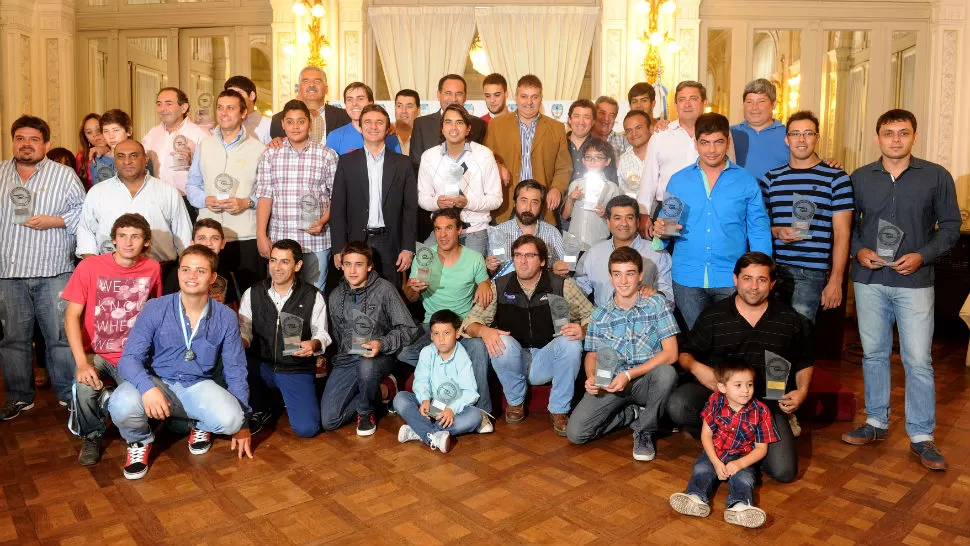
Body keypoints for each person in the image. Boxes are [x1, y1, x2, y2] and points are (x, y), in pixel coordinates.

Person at [841, 109, 960, 471]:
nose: (895, 139)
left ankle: (922, 435)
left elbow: (951, 227)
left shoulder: (936, 177)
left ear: (914, 137)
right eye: (888, 133)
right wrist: (858, 251)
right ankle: (876, 421)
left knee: (918, 360)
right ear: (877, 138)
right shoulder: (859, 177)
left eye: (902, 133)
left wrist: (921, 257)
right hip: (870, 281)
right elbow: (850, 227)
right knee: (874, 354)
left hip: (915, 282)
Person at [107, 245, 253, 480]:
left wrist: (243, 423)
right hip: (157, 382)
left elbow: (236, 370)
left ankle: (199, 424)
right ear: (178, 273)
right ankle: (139, 442)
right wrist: (147, 388)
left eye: (200, 271)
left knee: (232, 419)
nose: (191, 276)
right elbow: (129, 360)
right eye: (185, 269)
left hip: (196, 385)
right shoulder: (155, 308)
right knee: (121, 404)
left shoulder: (225, 317)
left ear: (213, 278)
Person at [668, 252, 811, 485]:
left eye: (761, 280)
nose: (753, 286)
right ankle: (725, 436)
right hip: (720, 399)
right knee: (678, 405)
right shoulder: (715, 316)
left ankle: (740, 444)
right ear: (735, 279)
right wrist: (696, 367)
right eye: (747, 278)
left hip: (766, 404)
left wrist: (802, 390)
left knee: (784, 472)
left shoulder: (789, 319)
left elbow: (805, 360)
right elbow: (685, 354)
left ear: (772, 283)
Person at [463, 235, 595, 436]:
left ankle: (559, 410)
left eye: (529, 255)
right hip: (515, 359)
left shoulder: (562, 285)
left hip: (548, 358)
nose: (522, 261)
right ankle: (515, 402)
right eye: (518, 255)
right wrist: (483, 330)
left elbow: (593, 316)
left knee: (571, 342)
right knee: (499, 339)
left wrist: (583, 330)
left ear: (542, 261)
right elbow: (469, 323)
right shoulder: (499, 286)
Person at [0, 115, 86, 419]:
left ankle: (68, 394)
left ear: (46, 144)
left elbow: (83, 214)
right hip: (8, 274)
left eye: (34, 139)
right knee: (12, 339)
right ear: (13, 141)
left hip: (54, 271)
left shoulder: (63, 176)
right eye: (20, 138)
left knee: (60, 338)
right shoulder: (0, 175)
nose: (26, 144)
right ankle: (20, 397)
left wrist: (55, 221)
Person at [654, 112, 771, 329]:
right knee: (698, 343)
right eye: (705, 143)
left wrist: (761, 271)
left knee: (730, 342)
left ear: (727, 142)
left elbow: (758, 228)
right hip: (687, 276)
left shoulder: (745, 180)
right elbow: (666, 228)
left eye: (718, 142)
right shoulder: (679, 180)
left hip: (732, 277)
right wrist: (660, 231)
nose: (711, 149)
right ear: (695, 144)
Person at [62, 213, 162, 465]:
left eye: (135, 237)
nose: (128, 242)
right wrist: (82, 362)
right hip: (96, 353)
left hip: (133, 355)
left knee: (146, 408)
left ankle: (110, 404)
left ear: (146, 242)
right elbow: (71, 317)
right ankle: (92, 435)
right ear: (114, 240)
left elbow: (154, 312)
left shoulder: (152, 268)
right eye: (122, 236)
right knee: (84, 386)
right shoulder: (90, 267)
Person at [567, 247, 679, 461]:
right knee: (576, 433)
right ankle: (632, 414)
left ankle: (644, 431)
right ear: (610, 276)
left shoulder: (656, 304)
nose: (624, 281)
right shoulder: (600, 314)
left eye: (630, 273)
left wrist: (629, 375)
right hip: (611, 382)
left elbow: (671, 353)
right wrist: (591, 376)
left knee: (667, 373)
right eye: (617, 274)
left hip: (646, 381)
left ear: (640, 275)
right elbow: (591, 354)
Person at [398, 209, 494, 417]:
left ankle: (483, 413)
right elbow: (410, 298)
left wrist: (485, 284)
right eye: (438, 229)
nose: (443, 235)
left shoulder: (474, 258)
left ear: (459, 230)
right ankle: (448, 376)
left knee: (478, 348)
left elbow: (485, 286)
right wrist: (412, 288)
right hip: (430, 328)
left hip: (461, 328)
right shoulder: (425, 257)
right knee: (404, 351)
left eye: (449, 228)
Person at [760, 110, 853, 322]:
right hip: (771, 269)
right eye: (795, 134)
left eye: (808, 133)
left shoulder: (836, 178)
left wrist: (836, 280)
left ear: (817, 138)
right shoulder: (771, 178)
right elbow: (757, 224)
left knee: (798, 339)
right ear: (786, 139)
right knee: (768, 336)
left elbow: (842, 233)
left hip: (810, 273)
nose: (801, 139)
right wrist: (775, 231)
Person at [323, 241, 420, 435]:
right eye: (347, 264)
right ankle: (383, 391)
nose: (352, 270)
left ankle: (366, 412)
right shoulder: (335, 296)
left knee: (366, 365)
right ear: (341, 266)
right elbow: (337, 336)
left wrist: (381, 343)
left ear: (369, 266)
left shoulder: (385, 289)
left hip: (379, 357)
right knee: (329, 420)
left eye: (358, 264)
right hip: (348, 360)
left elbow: (408, 329)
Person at [668, 360, 778, 529]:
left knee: (745, 478)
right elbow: (706, 435)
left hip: (743, 456)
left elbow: (761, 449)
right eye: (738, 385)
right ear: (722, 387)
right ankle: (695, 498)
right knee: (701, 469)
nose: (746, 390)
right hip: (716, 451)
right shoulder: (715, 401)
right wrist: (715, 462)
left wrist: (740, 463)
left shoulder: (761, 411)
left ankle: (740, 507)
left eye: (749, 384)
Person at [238, 239, 331, 438]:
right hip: (260, 366)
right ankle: (262, 407)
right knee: (239, 363)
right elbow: (245, 330)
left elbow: (322, 334)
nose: (276, 267)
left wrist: (313, 344)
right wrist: (241, 342)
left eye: (284, 262)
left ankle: (283, 397)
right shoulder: (252, 293)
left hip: (294, 367)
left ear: (298, 265)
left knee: (307, 429)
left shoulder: (313, 296)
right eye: (273, 260)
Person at [186, 89, 267, 295]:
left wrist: (247, 202)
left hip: (244, 236)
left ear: (243, 113)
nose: (223, 113)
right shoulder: (204, 145)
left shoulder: (259, 149)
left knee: (250, 298)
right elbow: (192, 185)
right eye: (220, 107)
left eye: (230, 108)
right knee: (211, 296)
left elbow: (267, 192)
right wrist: (205, 199)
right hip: (209, 238)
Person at [255, 99, 339, 292]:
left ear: (309, 124)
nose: (295, 127)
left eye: (301, 121)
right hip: (281, 239)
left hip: (316, 241)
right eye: (290, 122)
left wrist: (324, 220)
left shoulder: (327, 155)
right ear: (283, 124)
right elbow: (265, 196)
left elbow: (336, 197)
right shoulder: (270, 155)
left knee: (314, 295)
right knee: (280, 294)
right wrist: (261, 234)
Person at [76, 139, 193, 276]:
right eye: (121, 156)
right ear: (114, 160)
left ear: (145, 159)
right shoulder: (97, 192)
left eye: (134, 155)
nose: (127, 161)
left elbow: (184, 235)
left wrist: (187, 270)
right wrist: (94, 267)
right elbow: (86, 231)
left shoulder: (168, 192)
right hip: (109, 273)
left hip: (162, 271)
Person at [330, 104, 416, 283]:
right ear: (360, 127)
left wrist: (408, 247)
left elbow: (409, 210)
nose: (373, 127)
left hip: (390, 242)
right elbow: (338, 208)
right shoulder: (346, 163)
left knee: (390, 295)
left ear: (387, 128)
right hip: (355, 241)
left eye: (379, 122)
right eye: (368, 122)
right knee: (356, 296)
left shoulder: (403, 164)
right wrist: (338, 248)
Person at [484, 74, 572, 223]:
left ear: (541, 98)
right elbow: (486, 159)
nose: (529, 102)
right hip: (506, 207)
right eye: (524, 96)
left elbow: (564, 167)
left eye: (534, 97)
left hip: (542, 207)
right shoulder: (496, 125)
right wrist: (498, 167)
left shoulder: (557, 128)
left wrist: (557, 188)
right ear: (516, 97)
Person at [417, 104, 502, 257]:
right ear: (442, 128)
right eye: (448, 122)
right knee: (426, 268)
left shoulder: (484, 155)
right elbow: (423, 198)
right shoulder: (429, 157)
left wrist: (467, 203)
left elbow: (496, 199)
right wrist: (437, 202)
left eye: (459, 122)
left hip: (475, 231)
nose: (453, 127)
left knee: (470, 278)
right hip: (442, 231)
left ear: (468, 129)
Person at [394, 309, 484, 453]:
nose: (441, 339)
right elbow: (421, 381)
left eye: (447, 333)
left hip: (451, 410)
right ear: (431, 336)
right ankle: (432, 435)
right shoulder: (426, 352)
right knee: (400, 398)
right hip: (432, 405)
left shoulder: (462, 357)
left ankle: (420, 432)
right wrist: (424, 399)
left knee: (475, 416)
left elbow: (470, 392)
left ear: (457, 333)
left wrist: (452, 409)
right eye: (436, 334)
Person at [574, 195, 672, 308]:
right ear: (608, 222)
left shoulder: (657, 254)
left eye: (629, 218)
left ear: (638, 221)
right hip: (602, 322)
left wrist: (656, 295)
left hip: (644, 322)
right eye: (617, 218)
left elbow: (669, 298)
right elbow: (578, 290)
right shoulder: (594, 253)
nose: (624, 223)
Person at [636, 81, 712, 221]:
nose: (687, 104)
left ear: (704, 102)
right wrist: (644, 214)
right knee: (667, 244)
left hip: (706, 208)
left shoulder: (715, 136)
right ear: (676, 104)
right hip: (669, 208)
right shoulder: (661, 135)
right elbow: (649, 179)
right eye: (682, 100)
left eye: (693, 99)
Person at [486, 180, 569, 278]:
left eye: (534, 202)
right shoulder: (498, 232)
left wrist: (560, 269)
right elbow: (491, 271)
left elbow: (567, 267)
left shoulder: (553, 233)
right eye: (523, 201)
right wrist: (489, 268)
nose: (528, 208)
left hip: (543, 289)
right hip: (507, 289)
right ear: (515, 203)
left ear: (541, 206)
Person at [142, 87, 210, 198]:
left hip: (188, 200)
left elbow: (212, 170)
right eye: (159, 104)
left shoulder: (200, 135)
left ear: (183, 107)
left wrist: (193, 161)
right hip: (157, 197)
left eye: (168, 104)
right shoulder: (153, 133)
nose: (162, 109)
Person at [409, 75, 487, 168]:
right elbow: (416, 163)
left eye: (459, 93)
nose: (453, 99)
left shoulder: (478, 124)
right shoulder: (421, 124)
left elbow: (480, 161)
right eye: (448, 93)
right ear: (438, 95)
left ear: (465, 97)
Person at [562, 138, 622, 250]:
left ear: (607, 161)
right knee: (569, 267)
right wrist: (570, 198)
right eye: (588, 158)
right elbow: (565, 216)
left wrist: (605, 213)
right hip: (572, 241)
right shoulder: (576, 184)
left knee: (595, 267)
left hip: (597, 242)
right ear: (583, 160)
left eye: (598, 158)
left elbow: (617, 219)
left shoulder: (612, 188)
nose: (593, 161)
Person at [270, 65, 351, 144]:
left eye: (317, 81)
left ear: (326, 89)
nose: (311, 85)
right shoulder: (278, 120)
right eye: (305, 81)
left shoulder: (345, 117)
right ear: (298, 89)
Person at [731, 79, 789, 182]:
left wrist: (827, 162)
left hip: (778, 197)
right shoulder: (729, 134)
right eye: (749, 102)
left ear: (774, 104)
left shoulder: (790, 134)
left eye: (761, 101)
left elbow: (809, 164)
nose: (754, 107)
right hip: (740, 197)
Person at [326, 82, 401, 155]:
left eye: (360, 99)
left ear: (370, 103)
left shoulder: (387, 134)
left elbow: (398, 165)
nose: (354, 103)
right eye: (349, 99)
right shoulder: (335, 136)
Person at [564, 99, 617, 183]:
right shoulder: (558, 145)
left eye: (586, 117)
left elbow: (611, 181)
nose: (581, 122)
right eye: (577, 116)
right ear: (570, 120)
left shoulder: (604, 148)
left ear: (593, 122)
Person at [191, 218, 236, 304]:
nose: (208, 243)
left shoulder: (225, 274)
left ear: (223, 244)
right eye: (201, 238)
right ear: (192, 243)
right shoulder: (181, 272)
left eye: (214, 238)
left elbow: (232, 305)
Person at [88, 109, 134, 185]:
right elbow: (97, 193)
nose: (111, 136)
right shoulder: (97, 162)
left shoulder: (141, 158)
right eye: (106, 131)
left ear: (129, 130)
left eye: (116, 130)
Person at [225, 75, 272, 145]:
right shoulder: (224, 125)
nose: (233, 99)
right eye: (229, 94)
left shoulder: (270, 126)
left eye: (238, 94)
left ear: (252, 96)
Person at [617, 110, 652, 197]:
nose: (634, 133)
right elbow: (622, 193)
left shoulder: (663, 154)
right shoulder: (623, 161)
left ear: (650, 128)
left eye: (638, 128)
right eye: (629, 130)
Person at [76, 113, 108, 189]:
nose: (95, 135)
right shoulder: (81, 156)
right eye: (89, 132)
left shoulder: (120, 151)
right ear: (85, 137)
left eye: (98, 129)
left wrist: (107, 149)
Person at [394, 89, 420, 156]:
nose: (403, 111)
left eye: (409, 106)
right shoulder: (385, 132)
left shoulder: (425, 135)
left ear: (418, 111)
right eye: (399, 106)